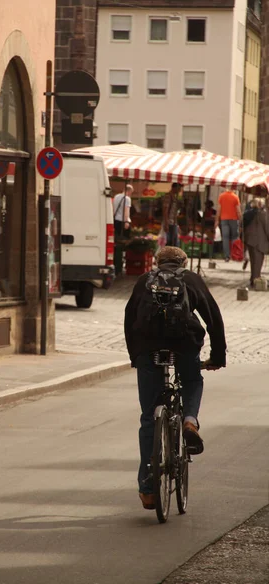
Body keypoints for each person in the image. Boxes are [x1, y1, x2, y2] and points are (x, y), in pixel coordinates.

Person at [124, 246, 226, 511]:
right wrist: (217, 356)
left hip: (148, 349)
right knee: (192, 381)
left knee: (149, 417)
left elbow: (129, 318)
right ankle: (190, 422)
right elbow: (213, 318)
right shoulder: (190, 280)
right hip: (184, 345)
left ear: (157, 262)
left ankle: (147, 489)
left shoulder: (145, 280)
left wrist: (136, 355)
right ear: (184, 262)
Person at [243, 198, 269, 288]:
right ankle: (255, 282)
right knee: (257, 262)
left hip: (252, 240)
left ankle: (253, 280)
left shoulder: (262, 211)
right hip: (257, 241)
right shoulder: (265, 213)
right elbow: (267, 228)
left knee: (254, 262)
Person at [215, 188, 241, 262]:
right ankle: (234, 255)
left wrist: (217, 220)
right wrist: (240, 220)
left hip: (224, 219)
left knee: (225, 238)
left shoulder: (221, 196)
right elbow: (238, 210)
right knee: (234, 237)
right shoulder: (235, 197)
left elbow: (219, 209)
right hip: (233, 219)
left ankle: (227, 256)